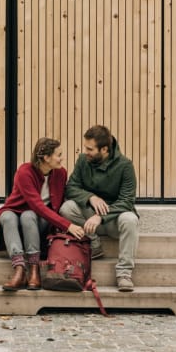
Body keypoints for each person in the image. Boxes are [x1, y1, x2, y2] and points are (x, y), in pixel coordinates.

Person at [0, 137, 85, 292]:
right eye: (59, 155)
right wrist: (68, 225)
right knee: (7, 216)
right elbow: (37, 205)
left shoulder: (60, 173)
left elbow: (53, 204)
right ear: (46, 158)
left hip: (39, 221)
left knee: (28, 215)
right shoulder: (24, 172)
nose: (62, 158)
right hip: (17, 213)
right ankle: (19, 269)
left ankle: (34, 269)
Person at [59, 125, 139, 292]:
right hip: (89, 222)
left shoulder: (125, 165)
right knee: (67, 208)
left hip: (113, 222)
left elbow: (126, 201)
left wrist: (100, 217)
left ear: (104, 149)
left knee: (130, 219)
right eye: (85, 147)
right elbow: (71, 187)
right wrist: (90, 197)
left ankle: (124, 274)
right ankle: (94, 244)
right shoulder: (83, 160)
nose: (85, 152)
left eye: (90, 149)